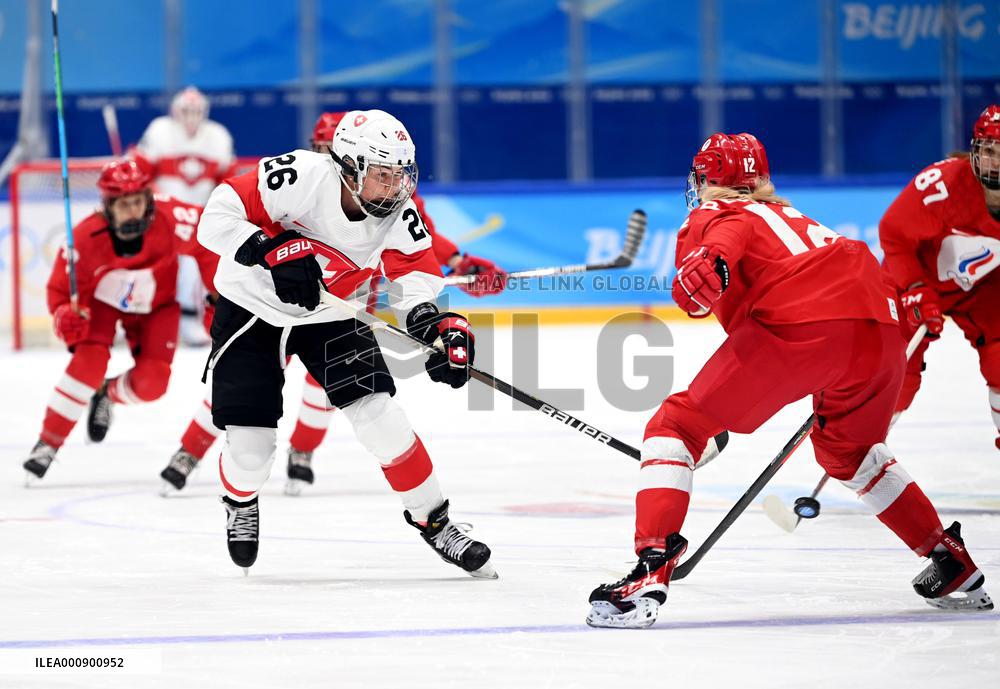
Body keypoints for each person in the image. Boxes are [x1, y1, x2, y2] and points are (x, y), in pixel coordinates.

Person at [586, 133, 992, 629]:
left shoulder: (717, 214)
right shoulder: (794, 215)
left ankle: (650, 569)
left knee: (676, 426)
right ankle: (950, 561)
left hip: (802, 328)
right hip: (881, 330)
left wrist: (706, 265)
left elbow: (718, 253)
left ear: (711, 179)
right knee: (851, 453)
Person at [197, 108, 496, 579]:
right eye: (382, 176)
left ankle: (435, 521)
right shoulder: (299, 176)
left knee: (383, 419)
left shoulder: (400, 210)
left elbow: (415, 276)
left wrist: (435, 326)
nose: (395, 187)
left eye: (402, 175)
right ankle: (240, 500)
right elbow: (215, 216)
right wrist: (270, 250)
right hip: (252, 309)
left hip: (334, 312)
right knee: (251, 453)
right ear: (350, 168)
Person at [22, 160, 217, 481]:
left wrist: (216, 296)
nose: (133, 212)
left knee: (153, 384)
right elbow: (61, 291)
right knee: (88, 363)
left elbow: (212, 241)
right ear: (108, 206)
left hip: (157, 306)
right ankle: (48, 443)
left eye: (138, 202)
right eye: (124, 205)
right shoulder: (83, 238)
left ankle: (106, 394)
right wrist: (66, 316)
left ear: (149, 199)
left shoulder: (173, 218)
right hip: (104, 306)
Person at [880, 105, 1000, 448]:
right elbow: (893, 232)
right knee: (898, 372)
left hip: (982, 286)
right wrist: (915, 288)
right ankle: (859, 448)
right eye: (988, 150)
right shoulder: (943, 185)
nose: (993, 161)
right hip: (916, 277)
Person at [135, 86, 236, 346]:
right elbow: (141, 173)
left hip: (199, 217)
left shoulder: (218, 135)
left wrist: (219, 209)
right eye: (186, 110)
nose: (191, 116)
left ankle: (190, 320)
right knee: (156, 266)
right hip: (162, 214)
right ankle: (141, 319)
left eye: (196, 110)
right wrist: (154, 201)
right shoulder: (159, 130)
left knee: (195, 268)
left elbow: (227, 181)